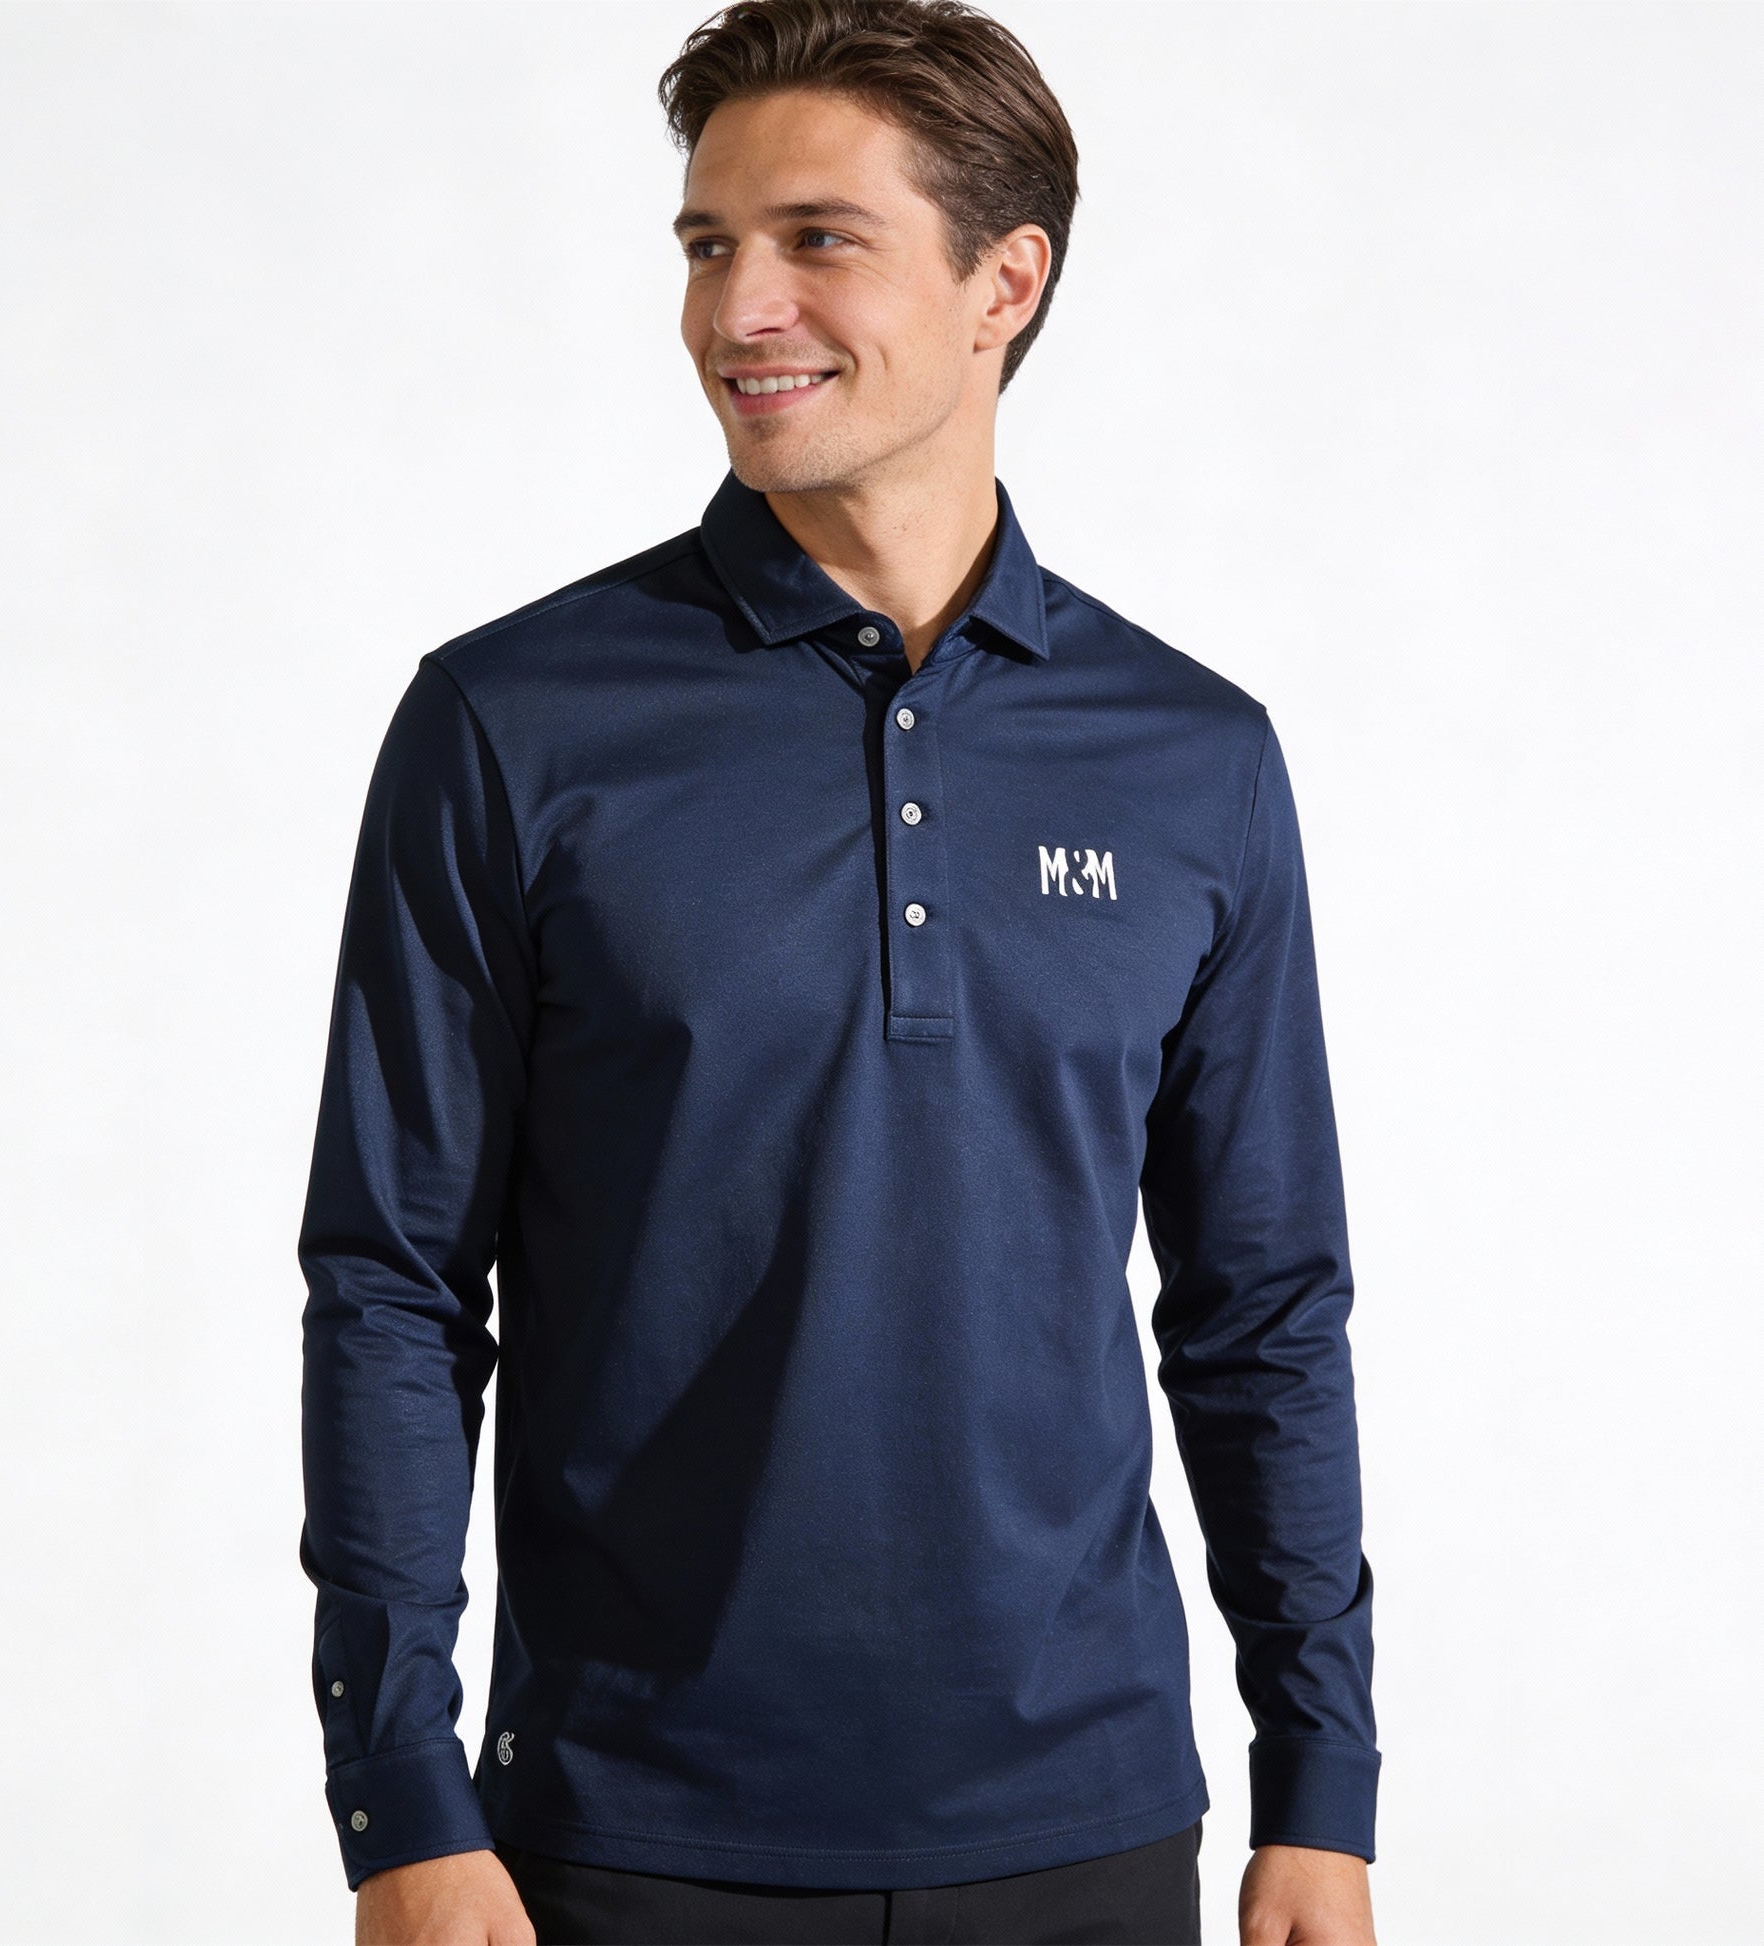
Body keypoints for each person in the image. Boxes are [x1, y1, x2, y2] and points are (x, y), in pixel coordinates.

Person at [296, 2, 1381, 1941]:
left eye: (817, 239)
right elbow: (391, 1283)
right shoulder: (509, 723)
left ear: (1001, 284)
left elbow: (1262, 1308)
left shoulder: (1193, 758)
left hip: (1086, 1830)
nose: (739, 310)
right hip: (623, 1841)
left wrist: (1323, 1780)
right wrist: (398, 1798)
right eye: (706, 244)